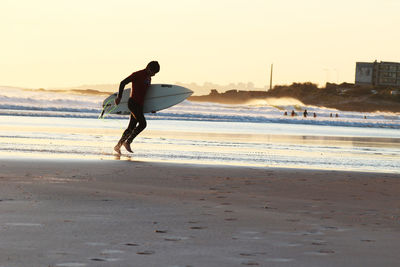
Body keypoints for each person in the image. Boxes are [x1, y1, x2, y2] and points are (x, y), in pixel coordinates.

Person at [114, 61, 160, 154]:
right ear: (148, 68)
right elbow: (123, 83)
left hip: (140, 105)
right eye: (153, 72)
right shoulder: (137, 74)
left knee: (131, 127)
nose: (154, 75)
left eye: (155, 73)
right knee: (143, 124)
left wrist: (152, 107)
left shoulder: (149, 78)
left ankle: (117, 146)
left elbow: (146, 95)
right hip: (133, 103)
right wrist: (119, 97)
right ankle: (128, 142)